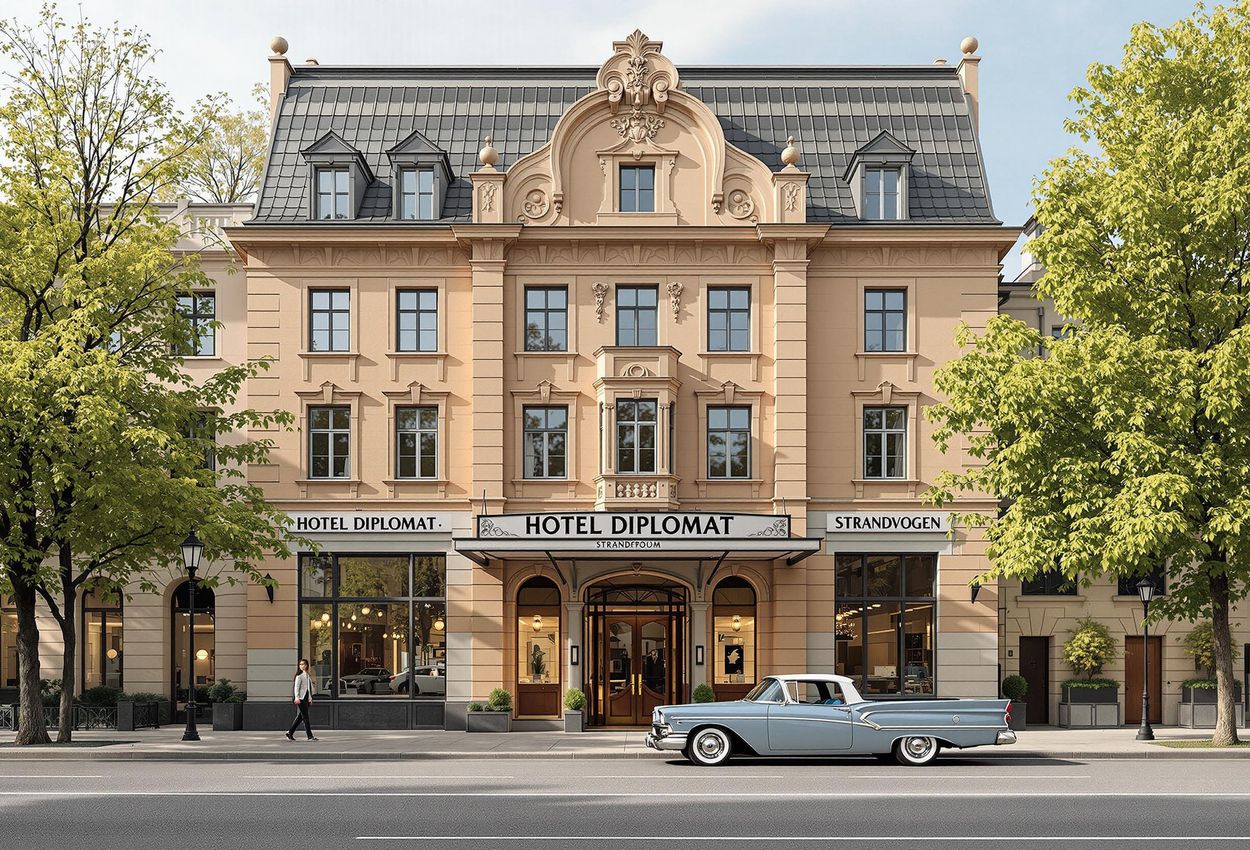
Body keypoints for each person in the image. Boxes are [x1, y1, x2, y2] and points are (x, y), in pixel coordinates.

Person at [286, 658, 318, 741]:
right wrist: (297, 697)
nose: (302, 666)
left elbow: (308, 689)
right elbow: (296, 687)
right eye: (300, 664)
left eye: (303, 664)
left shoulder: (307, 675)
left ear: (307, 665)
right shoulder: (299, 676)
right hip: (300, 698)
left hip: (306, 698)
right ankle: (310, 736)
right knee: (306, 717)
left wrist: (310, 698)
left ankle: (290, 732)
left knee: (300, 717)